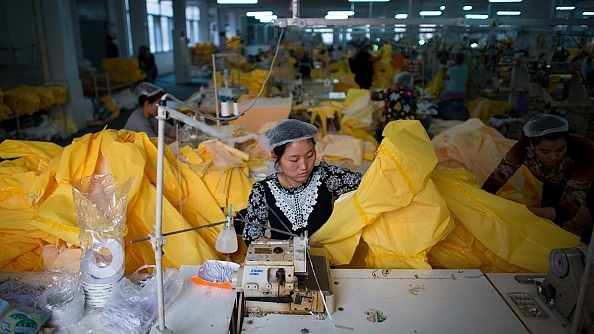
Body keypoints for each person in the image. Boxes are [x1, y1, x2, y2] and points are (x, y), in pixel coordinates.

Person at [242, 119, 363, 244]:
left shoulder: (327, 177)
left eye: (310, 156)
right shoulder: (263, 190)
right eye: (294, 159)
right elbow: (252, 238)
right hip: (284, 259)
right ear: (275, 156)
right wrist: (288, 244)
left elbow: (368, 184)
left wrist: (381, 165)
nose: (304, 166)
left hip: (325, 257)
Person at [482, 113, 594, 243]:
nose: (553, 157)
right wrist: (482, 201)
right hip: (553, 180)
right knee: (549, 225)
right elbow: (497, 178)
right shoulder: (522, 148)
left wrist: (522, 211)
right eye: (545, 152)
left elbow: (566, 211)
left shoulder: (584, 155)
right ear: (532, 146)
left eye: (560, 150)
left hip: (590, 180)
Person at [370, 71, 418, 141]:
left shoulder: (390, 91)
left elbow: (374, 96)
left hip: (389, 125)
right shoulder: (411, 94)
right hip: (405, 127)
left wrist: (372, 89)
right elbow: (414, 110)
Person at [436, 52, 469, 121]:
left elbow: (444, 77)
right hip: (462, 93)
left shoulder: (452, 70)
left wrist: (444, 69)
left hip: (451, 91)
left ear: (455, 60)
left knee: (439, 103)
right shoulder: (466, 68)